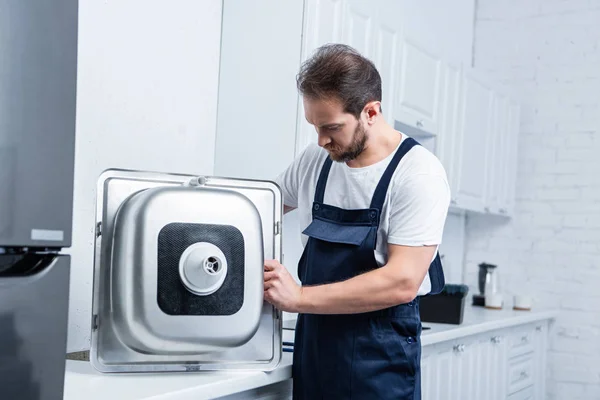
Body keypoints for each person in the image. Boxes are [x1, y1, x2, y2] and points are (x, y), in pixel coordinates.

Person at [263, 43, 450, 400]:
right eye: (314, 126)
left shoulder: (418, 174)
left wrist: (299, 296)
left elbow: (402, 282)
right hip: (316, 345)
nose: (321, 140)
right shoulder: (315, 160)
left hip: (379, 357)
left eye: (331, 127)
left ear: (371, 111)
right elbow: (259, 206)